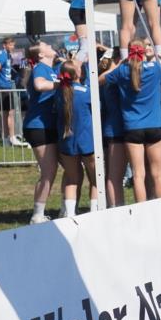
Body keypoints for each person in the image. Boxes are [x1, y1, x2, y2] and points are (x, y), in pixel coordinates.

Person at [99, 39, 161, 203]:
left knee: (138, 175)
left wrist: (118, 64)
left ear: (128, 52)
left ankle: (140, 211)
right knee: (157, 174)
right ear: (144, 51)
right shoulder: (155, 68)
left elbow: (100, 79)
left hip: (132, 128)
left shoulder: (122, 71)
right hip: (154, 126)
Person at [22, 41, 60, 222]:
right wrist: (60, 84)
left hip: (49, 125)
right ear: (41, 55)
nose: (50, 45)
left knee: (55, 170)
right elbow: (39, 85)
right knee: (48, 171)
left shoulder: (51, 68)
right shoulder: (40, 68)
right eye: (46, 45)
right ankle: (37, 215)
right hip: (38, 126)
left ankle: (66, 207)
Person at [55, 60, 97, 218]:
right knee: (96, 179)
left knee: (71, 179)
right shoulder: (86, 92)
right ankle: (95, 213)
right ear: (77, 73)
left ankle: (70, 214)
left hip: (67, 141)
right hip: (87, 140)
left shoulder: (59, 92)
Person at [98, 48, 127, 207]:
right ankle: (116, 208)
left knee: (112, 174)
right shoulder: (112, 78)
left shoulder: (107, 77)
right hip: (116, 130)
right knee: (115, 176)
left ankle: (113, 206)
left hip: (110, 128)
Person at [0, 37, 26, 147]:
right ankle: (11, 137)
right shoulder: (1, 55)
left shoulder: (8, 55)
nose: (12, 47)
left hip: (6, 87)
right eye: (10, 45)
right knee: (9, 113)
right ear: (4, 45)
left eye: (13, 45)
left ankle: (7, 139)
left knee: (7, 114)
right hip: (3, 87)